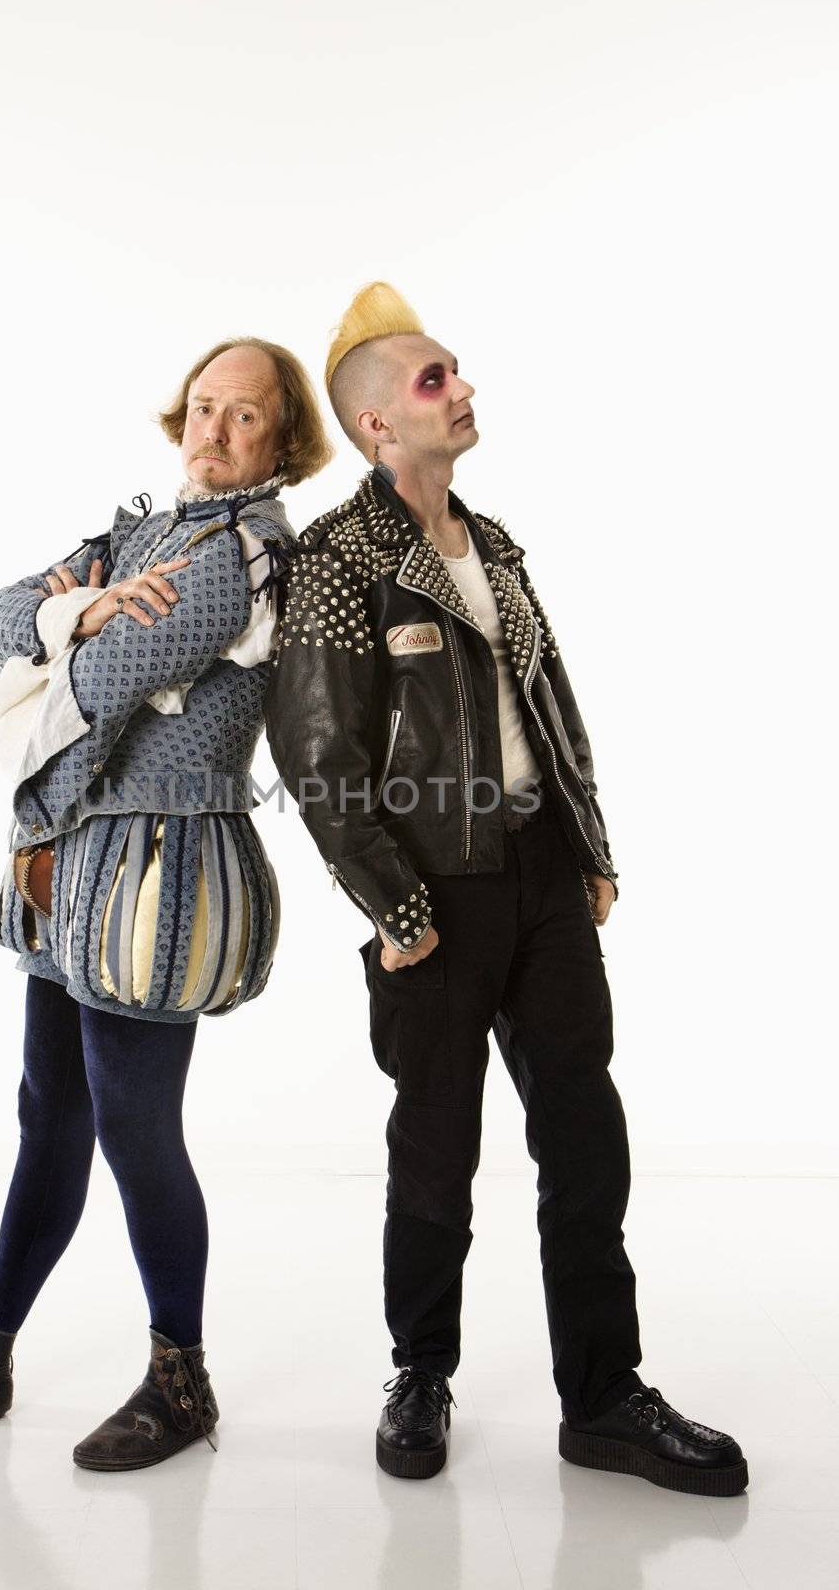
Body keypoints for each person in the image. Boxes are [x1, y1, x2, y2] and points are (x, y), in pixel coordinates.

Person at [263, 282, 747, 1495]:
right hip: (433, 894)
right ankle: (419, 1371)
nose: (462, 389)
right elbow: (317, 758)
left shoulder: (495, 546)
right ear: (378, 425)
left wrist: (586, 846)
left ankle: (603, 1397)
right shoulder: (337, 561)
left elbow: (549, 707)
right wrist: (398, 909)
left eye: (455, 372)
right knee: (435, 1150)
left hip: (537, 878)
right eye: (434, 381)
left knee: (583, 1137)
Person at [0, 338, 333, 1472]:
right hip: (74, 870)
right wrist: (83, 608)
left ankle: (181, 1378)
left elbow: (106, 689)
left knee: (134, 1126)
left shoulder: (245, 554)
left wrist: (71, 657)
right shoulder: (132, 535)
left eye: (244, 417)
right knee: (48, 1110)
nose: (214, 432)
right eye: (203, 408)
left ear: (284, 437)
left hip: (154, 873)